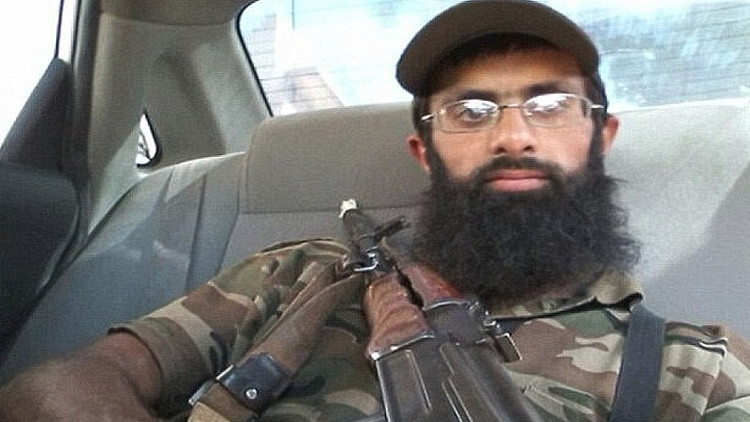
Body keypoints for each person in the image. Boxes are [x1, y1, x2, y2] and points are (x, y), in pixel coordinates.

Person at [1, 0, 749, 421]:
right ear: (426, 152)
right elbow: (55, 385)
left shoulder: (694, 365)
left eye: (550, 105)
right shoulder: (300, 276)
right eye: (470, 111)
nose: (512, 136)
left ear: (600, 139)